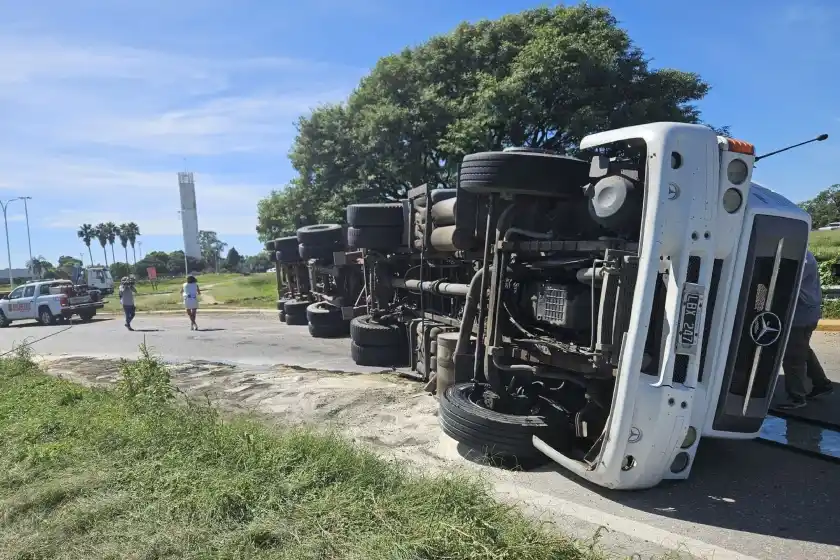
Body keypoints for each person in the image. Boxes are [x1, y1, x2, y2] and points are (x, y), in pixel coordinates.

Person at [778, 250, 833, 410]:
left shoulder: (804, 259)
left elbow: (788, 281)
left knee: (793, 357)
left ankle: (797, 397)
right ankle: (822, 384)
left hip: (801, 315)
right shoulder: (804, 255)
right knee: (803, 350)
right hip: (804, 314)